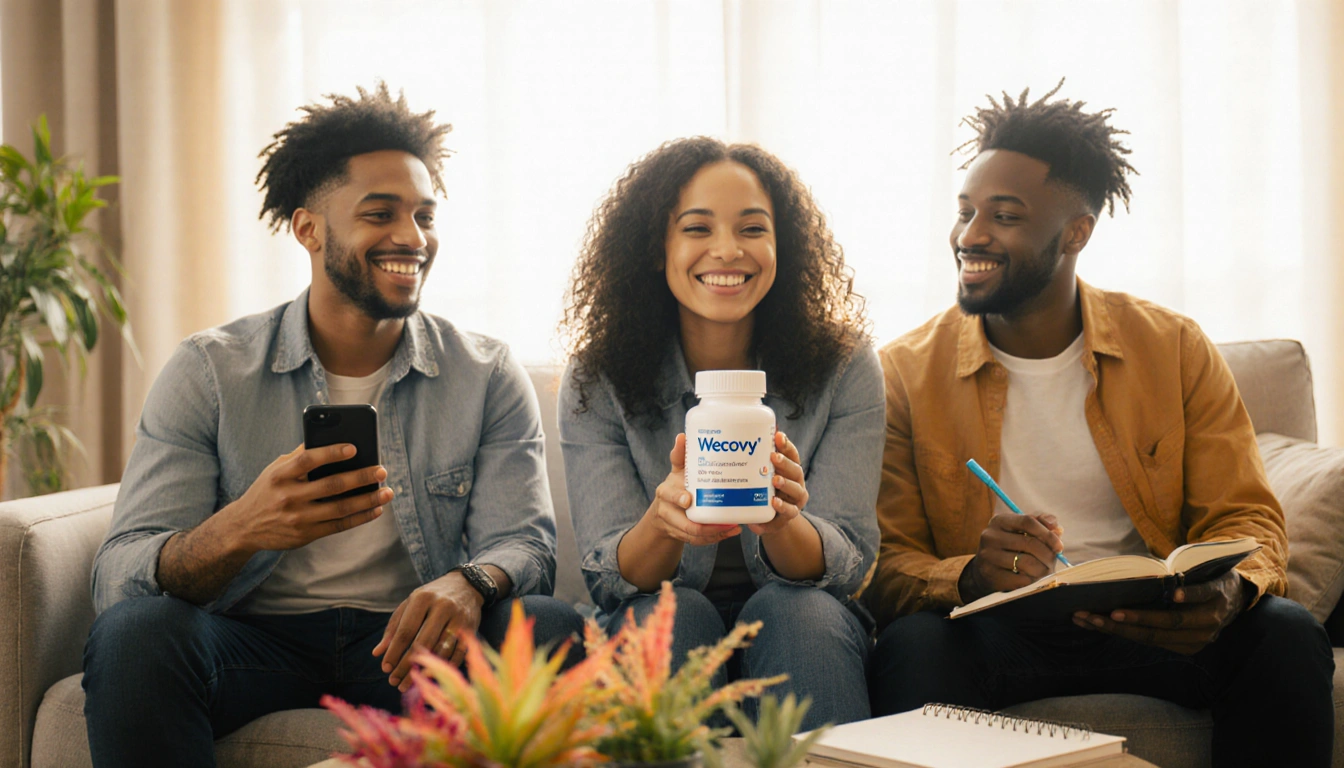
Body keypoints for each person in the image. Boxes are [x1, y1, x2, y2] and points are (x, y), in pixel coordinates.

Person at [83, 84, 583, 767]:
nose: (413, 238)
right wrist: (242, 527)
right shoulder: (209, 370)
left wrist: (471, 581)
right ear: (309, 229)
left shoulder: (486, 372)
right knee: (135, 633)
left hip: (411, 646)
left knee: (546, 625)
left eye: (424, 216)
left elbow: (525, 543)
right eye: (381, 214)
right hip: (254, 642)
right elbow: (120, 574)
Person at [865, 82, 1334, 766]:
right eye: (965, 212)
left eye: (1004, 216)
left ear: (1076, 233)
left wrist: (1230, 592)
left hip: (1152, 627)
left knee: (1285, 633)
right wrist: (969, 578)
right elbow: (885, 563)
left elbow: (1247, 518)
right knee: (913, 645)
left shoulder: (1174, 347)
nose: (970, 236)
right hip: (999, 634)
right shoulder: (905, 372)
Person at [558, 137, 883, 729]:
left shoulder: (845, 364)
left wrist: (783, 521)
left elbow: (849, 566)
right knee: (673, 615)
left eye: (752, 228)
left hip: (805, 617)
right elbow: (610, 579)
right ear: (657, 247)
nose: (728, 250)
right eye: (697, 228)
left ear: (783, 246)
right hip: (657, 611)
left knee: (799, 613)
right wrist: (662, 523)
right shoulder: (597, 374)